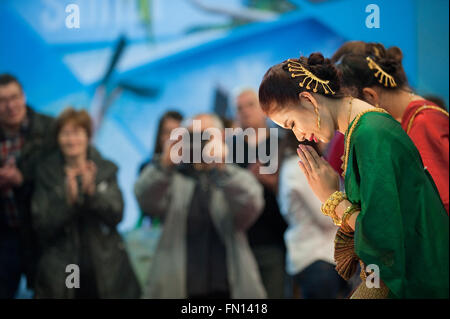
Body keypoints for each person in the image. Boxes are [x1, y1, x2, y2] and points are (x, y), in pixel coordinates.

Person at [258, 52, 448, 298]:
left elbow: (384, 241)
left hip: (421, 280)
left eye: (292, 123)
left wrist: (333, 199)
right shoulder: (360, 130)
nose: (300, 135)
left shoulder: (370, 133)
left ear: (308, 100)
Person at [134, 113, 266, 299]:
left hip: (228, 287)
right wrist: (165, 164)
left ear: (221, 137)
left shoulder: (231, 175)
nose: (200, 142)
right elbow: (144, 199)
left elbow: (251, 206)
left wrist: (222, 168)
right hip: (179, 285)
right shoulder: (173, 177)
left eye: (206, 135)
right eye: (193, 136)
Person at [31, 108, 140, 298]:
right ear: (57, 138)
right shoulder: (46, 173)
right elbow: (41, 225)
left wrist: (93, 194)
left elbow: (117, 215)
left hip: (105, 264)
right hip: (66, 266)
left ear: (87, 136)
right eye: (66, 133)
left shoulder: (106, 169)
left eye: (77, 133)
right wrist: (68, 202)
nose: (72, 140)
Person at [331, 41, 449, 214]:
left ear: (370, 96)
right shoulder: (412, 121)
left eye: (351, 109)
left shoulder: (423, 122)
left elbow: (439, 204)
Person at [0, 74, 55, 298]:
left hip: (43, 233)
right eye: (3, 100)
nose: (11, 106)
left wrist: (22, 180)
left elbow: (56, 180)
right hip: (5, 236)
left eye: (14, 97)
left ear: (23, 96)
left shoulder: (50, 129)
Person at [278, 132, 351, 299]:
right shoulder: (300, 166)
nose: (324, 136)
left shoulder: (299, 164)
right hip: (317, 257)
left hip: (320, 257)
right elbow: (326, 215)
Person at [232, 89, 287, 299]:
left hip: (276, 238)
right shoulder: (230, 150)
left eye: (250, 105)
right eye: (239, 108)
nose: (245, 111)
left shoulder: (281, 142)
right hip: (244, 240)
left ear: (264, 109)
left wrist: (271, 182)